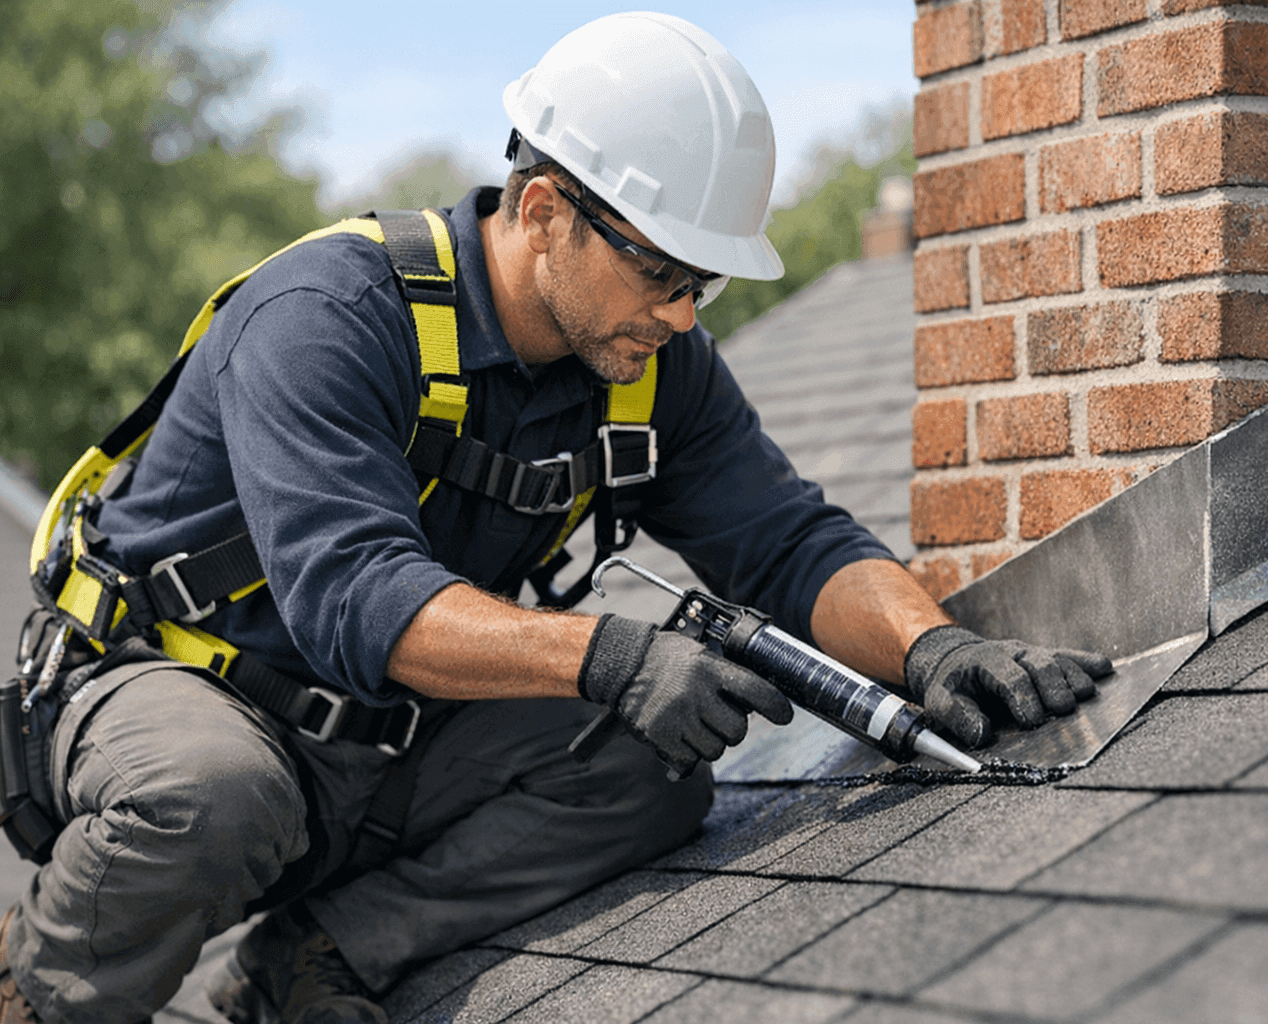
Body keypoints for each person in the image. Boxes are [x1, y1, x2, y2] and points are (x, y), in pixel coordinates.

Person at [1, 13, 1111, 1024]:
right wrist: (615, 655)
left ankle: (309, 960)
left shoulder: (649, 364)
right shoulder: (327, 317)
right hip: (187, 701)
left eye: (703, 285)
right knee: (215, 794)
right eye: (662, 272)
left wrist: (933, 647)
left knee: (649, 770)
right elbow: (356, 599)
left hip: (380, 748)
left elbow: (786, 538)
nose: (681, 315)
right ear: (544, 212)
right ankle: (40, 993)